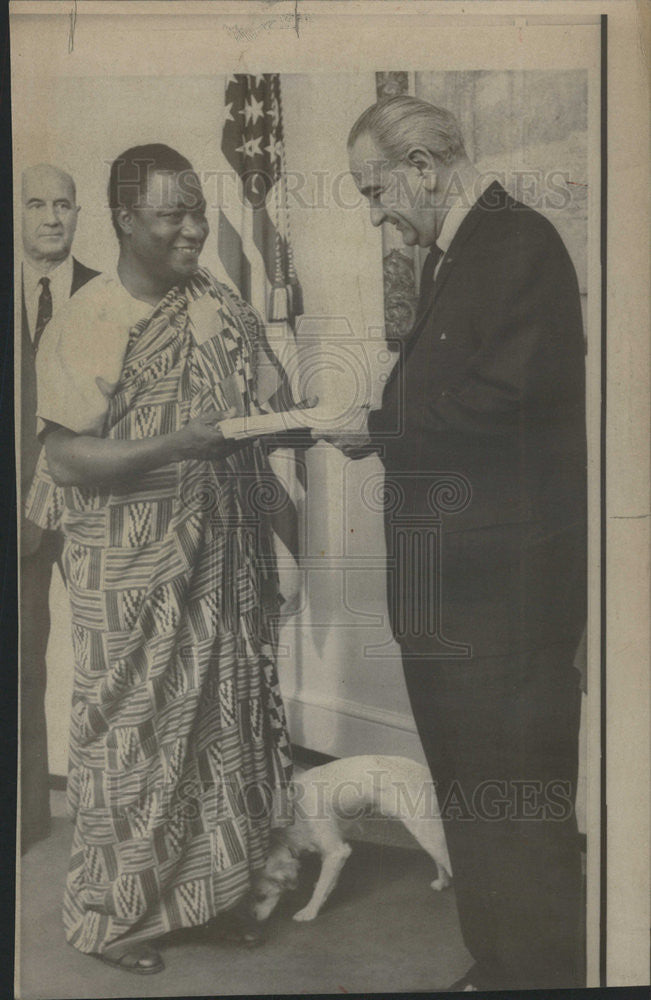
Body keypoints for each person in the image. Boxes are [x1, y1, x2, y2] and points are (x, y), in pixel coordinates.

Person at [25, 144, 293, 974]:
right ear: (124, 219)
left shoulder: (218, 302)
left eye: (197, 212)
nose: (191, 228)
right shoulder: (90, 317)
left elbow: (271, 394)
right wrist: (178, 442)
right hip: (130, 577)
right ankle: (111, 919)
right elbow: (66, 459)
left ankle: (209, 897)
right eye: (171, 214)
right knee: (132, 741)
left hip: (222, 565)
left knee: (220, 731)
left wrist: (312, 418)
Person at [339, 96, 587, 991]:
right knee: (467, 791)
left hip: (503, 602)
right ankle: (498, 963)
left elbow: (503, 404)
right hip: (457, 600)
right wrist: (369, 421)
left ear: (420, 164)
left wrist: (376, 430)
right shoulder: (467, 251)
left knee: (513, 802)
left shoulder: (516, 244)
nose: (377, 213)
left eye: (378, 191)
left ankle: (539, 973)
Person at [20, 164, 99, 854]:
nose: (51, 217)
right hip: (15, 517)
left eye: (63, 204)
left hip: (93, 504)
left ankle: (109, 818)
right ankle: (22, 821)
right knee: (20, 661)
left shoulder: (106, 294)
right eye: (37, 204)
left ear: (79, 214)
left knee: (112, 659)